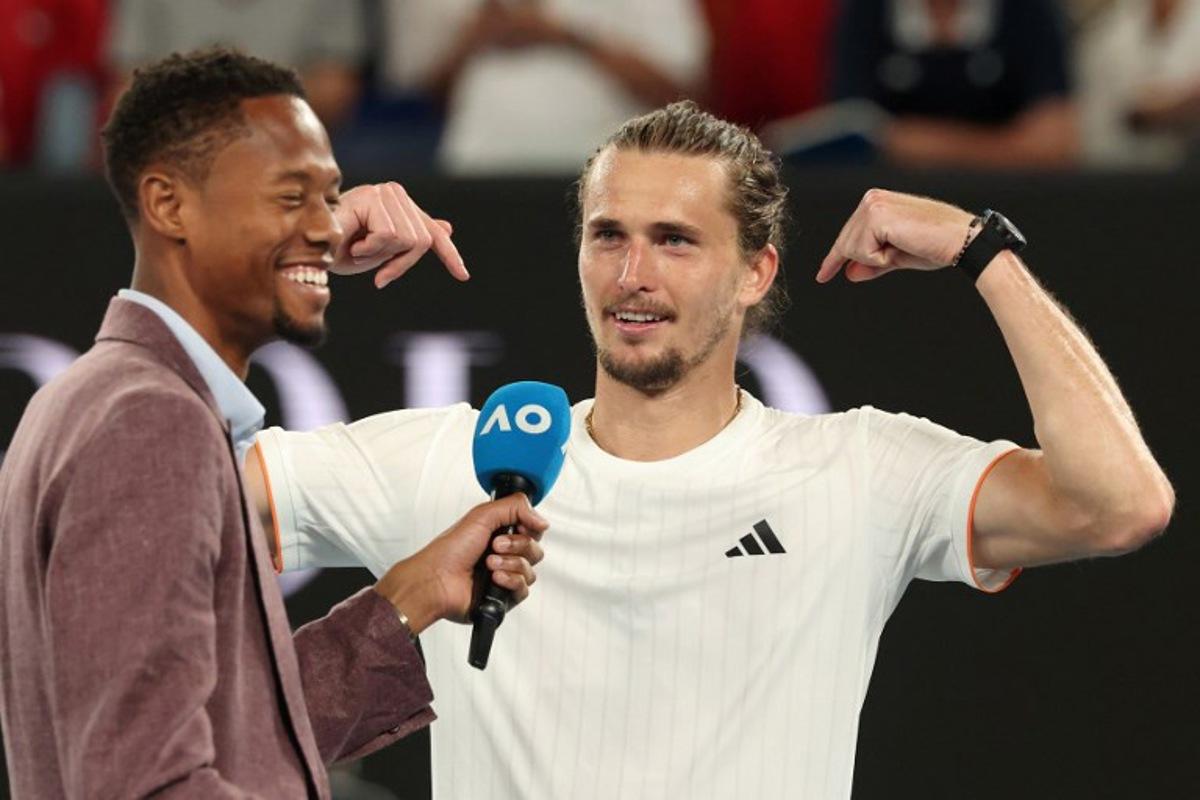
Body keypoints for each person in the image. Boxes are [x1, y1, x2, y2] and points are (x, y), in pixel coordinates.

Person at [247, 101, 1174, 798]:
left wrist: (985, 253)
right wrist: (285, 260)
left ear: (755, 271)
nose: (632, 275)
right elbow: (131, 493)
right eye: (607, 235)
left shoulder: (857, 471)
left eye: (675, 241)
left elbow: (1119, 505)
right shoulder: (449, 461)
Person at [0, 48, 548, 798]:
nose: (329, 228)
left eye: (329, 196)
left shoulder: (102, 395)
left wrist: (409, 599)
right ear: (168, 205)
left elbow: (228, 737)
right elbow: (148, 786)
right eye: (291, 197)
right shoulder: (150, 422)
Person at [379, 0, 706, 174]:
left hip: (600, 174)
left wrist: (565, 35)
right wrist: (478, 35)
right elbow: (417, 95)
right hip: (478, 170)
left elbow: (681, 92)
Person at [831, 0, 1079, 167]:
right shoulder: (864, 11)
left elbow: (1054, 142)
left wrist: (926, 144)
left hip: (1012, 208)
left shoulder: (1030, 10)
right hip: (891, 210)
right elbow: (850, 132)